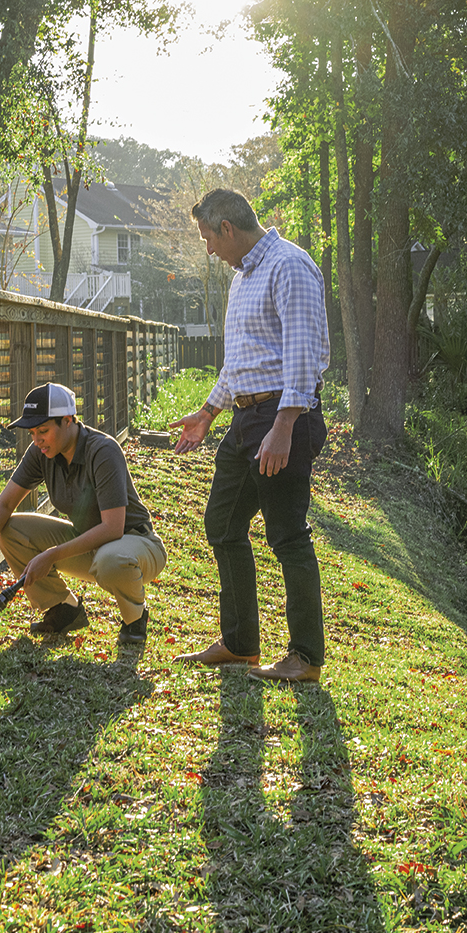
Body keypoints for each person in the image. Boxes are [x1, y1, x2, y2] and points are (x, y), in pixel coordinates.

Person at [171, 188, 331, 682]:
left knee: (287, 536)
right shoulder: (243, 278)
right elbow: (241, 360)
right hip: (245, 421)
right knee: (222, 524)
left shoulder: (289, 266)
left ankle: (305, 657)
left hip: (284, 418)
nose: (208, 250)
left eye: (207, 238)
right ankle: (240, 643)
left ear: (227, 228)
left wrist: (285, 426)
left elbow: (303, 354)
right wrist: (207, 412)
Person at [0, 381, 165, 643]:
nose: (37, 439)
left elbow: (113, 528)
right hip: (90, 543)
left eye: (43, 430)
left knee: (111, 560)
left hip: (136, 545)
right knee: (9, 529)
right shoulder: (41, 452)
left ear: (68, 421)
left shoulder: (103, 451)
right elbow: (5, 504)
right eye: (32, 432)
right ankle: (63, 608)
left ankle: (135, 619)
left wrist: (51, 555)